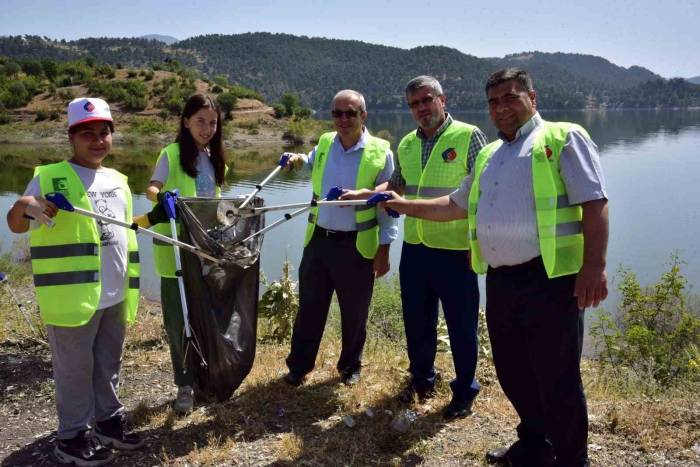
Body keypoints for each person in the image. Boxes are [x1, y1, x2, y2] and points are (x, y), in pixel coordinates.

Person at [382, 68, 608, 467]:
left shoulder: (561, 137)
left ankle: (573, 459)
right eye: (493, 101)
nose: (501, 108)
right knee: (512, 369)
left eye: (510, 97)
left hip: (552, 280)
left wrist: (594, 267)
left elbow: (594, 202)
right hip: (502, 279)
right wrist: (399, 204)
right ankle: (534, 443)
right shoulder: (489, 155)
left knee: (558, 378)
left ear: (532, 98)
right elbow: (453, 205)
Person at [7, 97, 143, 466]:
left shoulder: (118, 180)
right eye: (88, 134)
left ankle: (108, 424)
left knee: (108, 363)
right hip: (71, 297)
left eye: (104, 133)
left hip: (115, 292)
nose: (98, 141)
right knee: (74, 370)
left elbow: (126, 232)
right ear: (72, 137)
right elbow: (16, 222)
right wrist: (24, 205)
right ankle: (70, 438)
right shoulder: (49, 176)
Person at [343, 76, 488, 420]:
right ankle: (423, 379)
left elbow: (483, 195)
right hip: (416, 250)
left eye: (427, 100)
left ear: (442, 99)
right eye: (414, 104)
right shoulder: (407, 143)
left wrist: (476, 243)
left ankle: (465, 389)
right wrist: (364, 195)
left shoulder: (469, 136)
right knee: (417, 321)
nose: (421, 109)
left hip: (457, 251)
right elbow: (395, 187)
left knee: (461, 324)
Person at [281, 89, 397, 386]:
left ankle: (350, 368)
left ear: (363, 116)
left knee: (354, 312)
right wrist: (296, 159)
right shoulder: (324, 143)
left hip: (356, 246)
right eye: (337, 113)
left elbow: (388, 203)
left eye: (350, 113)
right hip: (318, 242)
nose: (343, 119)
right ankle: (299, 366)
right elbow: (310, 160)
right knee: (310, 306)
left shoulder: (381, 151)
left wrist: (384, 248)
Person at [146, 93, 228, 414]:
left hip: (204, 249)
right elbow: (152, 188)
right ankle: (184, 384)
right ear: (185, 122)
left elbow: (216, 202)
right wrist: (162, 196)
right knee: (179, 320)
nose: (207, 128)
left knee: (204, 316)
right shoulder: (171, 153)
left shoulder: (215, 158)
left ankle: (206, 376)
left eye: (212, 122)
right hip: (176, 251)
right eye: (200, 122)